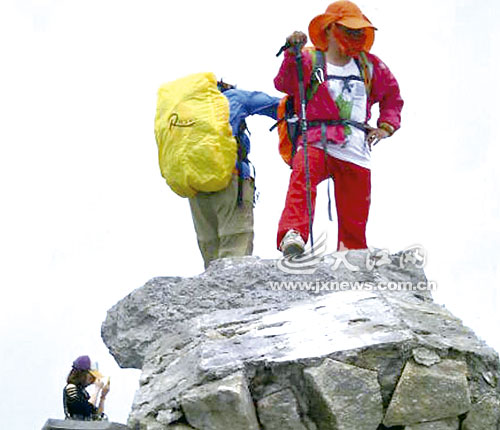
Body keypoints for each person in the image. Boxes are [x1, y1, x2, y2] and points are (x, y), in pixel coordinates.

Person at [275, 0, 404, 256]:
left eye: (359, 32)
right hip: (315, 139)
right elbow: (285, 83)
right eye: (349, 30)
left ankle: (352, 254)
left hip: (355, 148)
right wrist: (292, 54)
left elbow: (393, 97)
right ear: (329, 29)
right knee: (302, 183)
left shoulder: (370, 66)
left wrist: (386, 127)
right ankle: (294, 234)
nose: (355, 37)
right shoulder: (309, 58)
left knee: (355, 209)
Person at [188, 82, 280, 268]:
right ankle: (232, 291)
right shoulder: (234, 97)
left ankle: (212, 291)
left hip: (194, 182)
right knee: (236, 242)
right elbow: (278, 105)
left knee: (209, 243)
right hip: (231, 176)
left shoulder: (188, 109)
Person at [63, 355, 110, 421]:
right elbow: (86, 409)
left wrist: (103, 396)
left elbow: (96, 414)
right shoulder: (71, 388)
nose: (93, 380)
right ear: (82, 374)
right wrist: (97, 389)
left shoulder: (83, 392)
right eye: (91, 376)